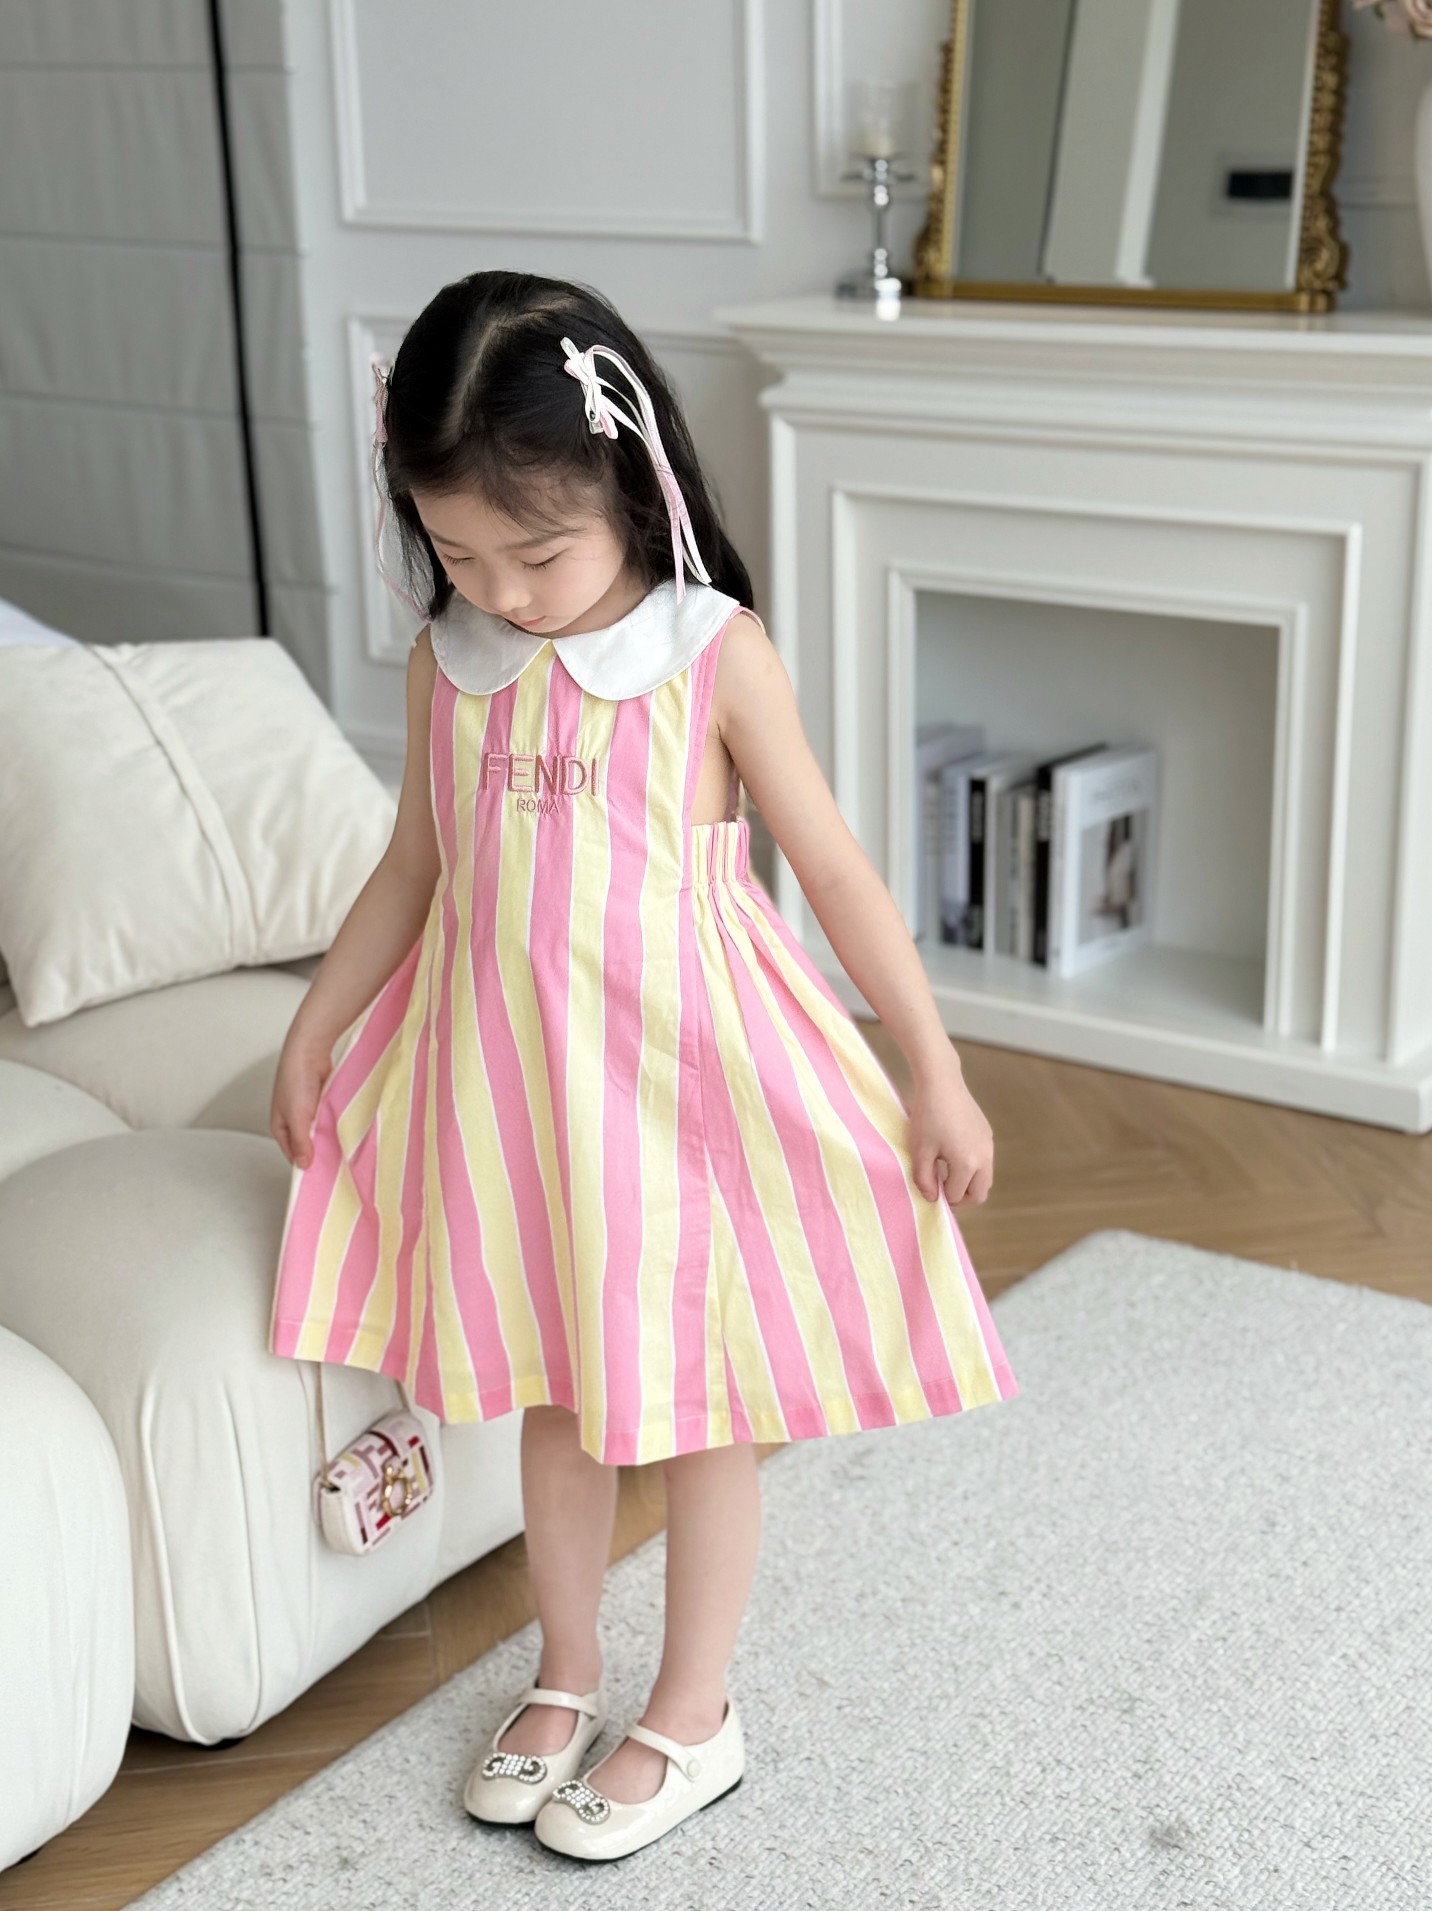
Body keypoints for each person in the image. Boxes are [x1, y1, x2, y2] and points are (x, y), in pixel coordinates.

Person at [267, 269, 1019, 1862]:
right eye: (459, 553)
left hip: (682, 1102)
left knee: (690, 1407)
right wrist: (316, 1022)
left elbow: (834, 872)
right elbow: (413, 869)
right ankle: (564, 1672)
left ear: (623, 481)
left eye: (534, 553)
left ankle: (691, 1710)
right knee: (554, 1395)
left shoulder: (707, 655)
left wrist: (935, 1069)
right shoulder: (449, 661)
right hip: (513, 1103)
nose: (504, 590)